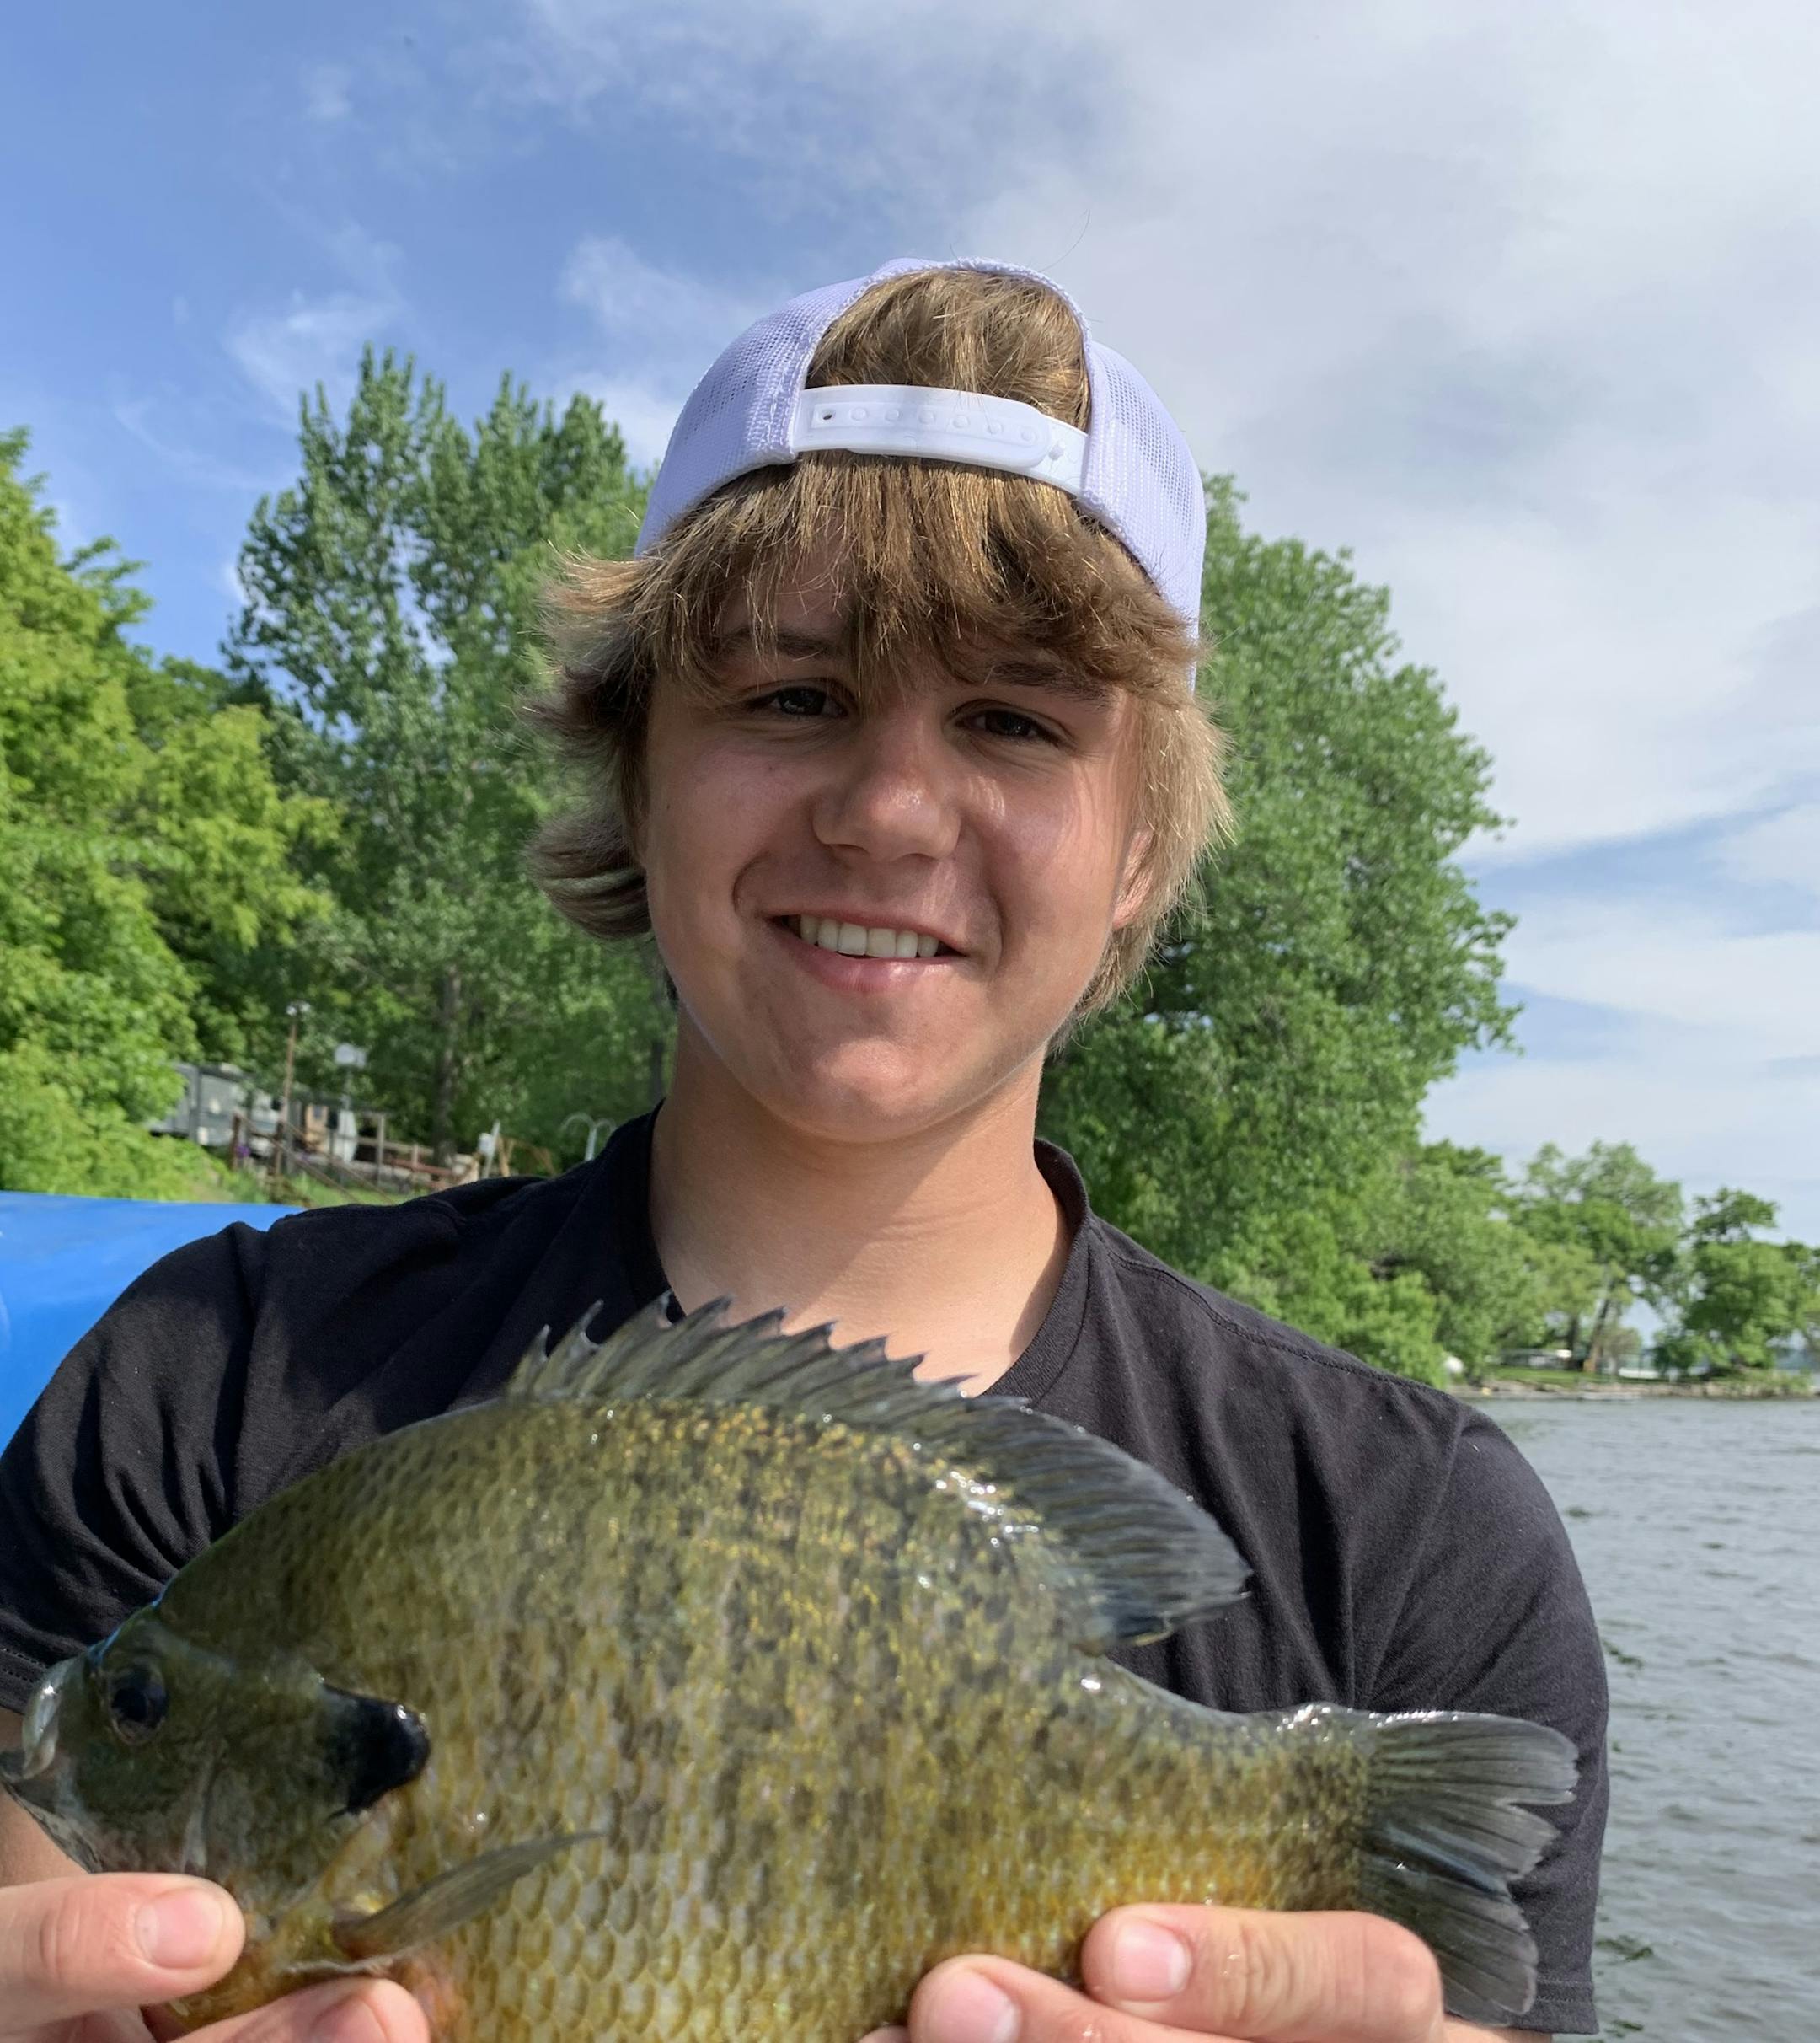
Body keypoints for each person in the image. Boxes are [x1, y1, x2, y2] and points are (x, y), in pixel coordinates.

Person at [0, 258, 1607, 2043]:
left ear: (1142, 846)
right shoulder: (207, 1386)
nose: (891, 810)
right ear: (634, 773)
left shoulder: (1414, 1543)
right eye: (790, 696)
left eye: (1012, 719)